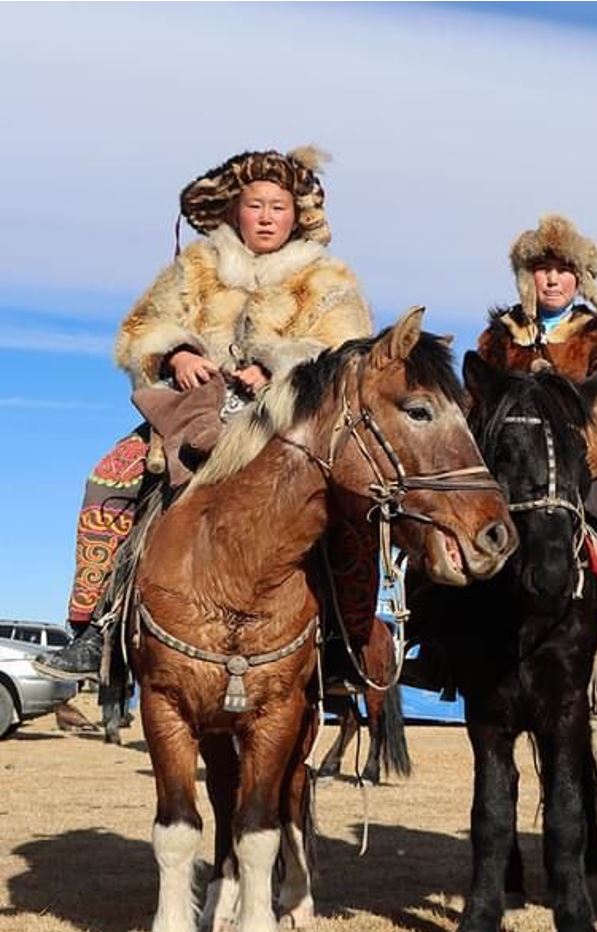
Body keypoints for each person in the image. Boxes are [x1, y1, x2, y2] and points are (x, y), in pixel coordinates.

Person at [36, 146, 374, 704]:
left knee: (356, 501)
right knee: (109, 477)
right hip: (192, 417)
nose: (266, 217)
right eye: (255, 205)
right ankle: (97, 625)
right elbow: (141, 329)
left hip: (288, 426)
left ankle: (345, 642)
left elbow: (348, 352)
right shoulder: (195, 267)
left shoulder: (327, 279)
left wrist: (278, 367)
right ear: (234, 210)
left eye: (278, 207)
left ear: (297, 215)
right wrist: (177, 354)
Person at [473, 213, 597, 710]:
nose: (551, 280)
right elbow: (478, 402)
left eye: (562, 270)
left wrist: (571, 463)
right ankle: (439, 646)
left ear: (580, 279)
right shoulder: (499, 337)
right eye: (542, 269)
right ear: (526, 276)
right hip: (509, 470)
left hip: (587, 466)